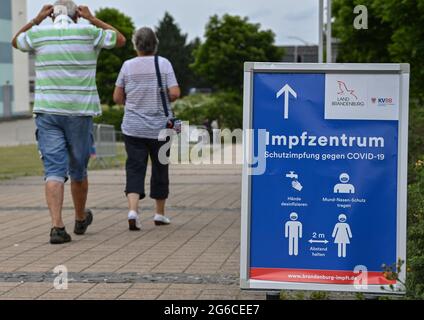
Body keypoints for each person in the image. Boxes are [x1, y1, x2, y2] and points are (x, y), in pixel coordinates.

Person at [11, 1, 126, 244]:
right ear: (77, 16)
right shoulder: (88, 32)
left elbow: (15, 41)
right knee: (78, 169)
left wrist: (37, 19)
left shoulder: (40, 34)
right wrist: (93, 19)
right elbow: (120, 40)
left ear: (52, 16)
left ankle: (57, 227)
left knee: (53, 170)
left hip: (48, 112)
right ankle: (80, 217)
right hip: (79, 112)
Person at [113, 27, 180, 231]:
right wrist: (158, 97)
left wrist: (134, 99)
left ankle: (133, 210)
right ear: (155, 44)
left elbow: (117, 97)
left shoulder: (127, 66)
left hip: (133, 127)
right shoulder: (164, 63)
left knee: (134, 168)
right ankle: (159, 214)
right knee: (160, 169)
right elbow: (175, 93)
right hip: (160, 128)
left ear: (135, 44)